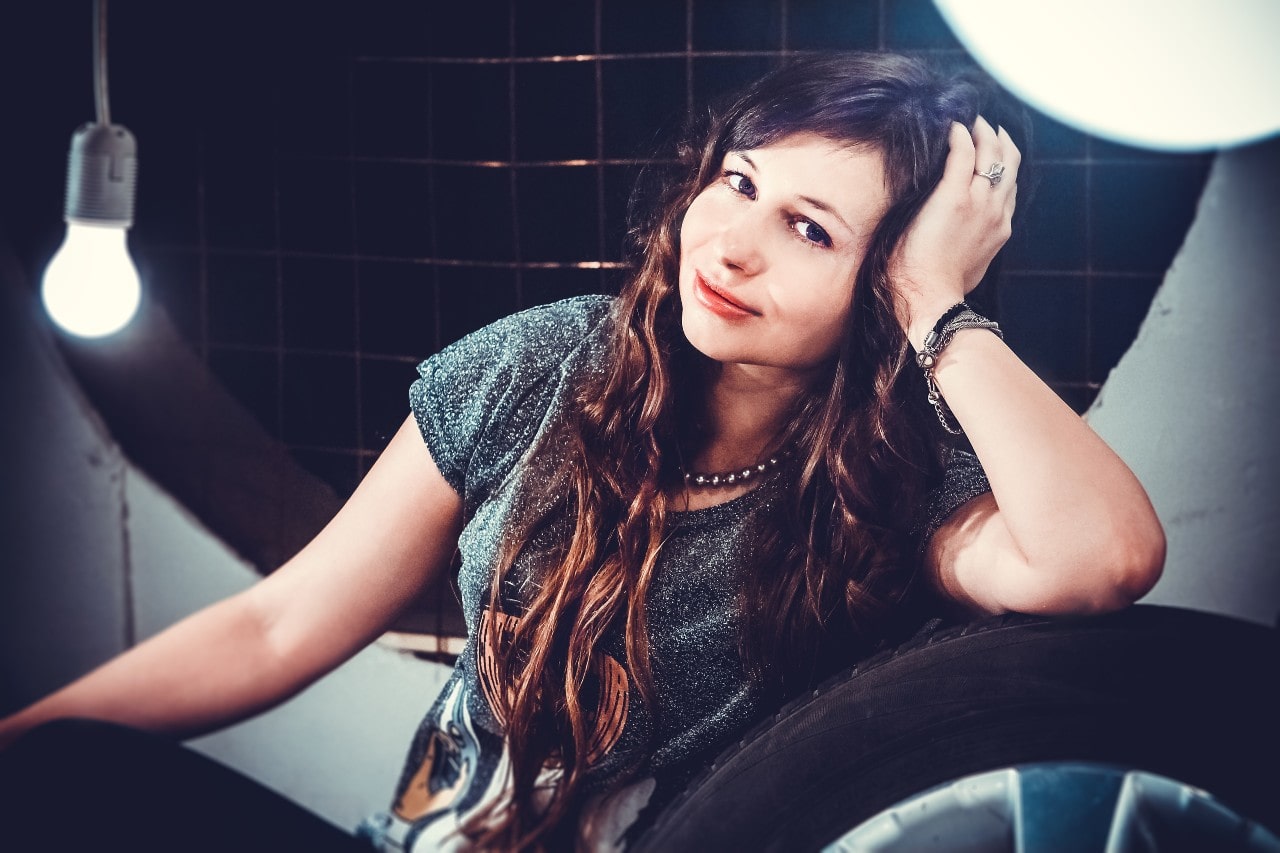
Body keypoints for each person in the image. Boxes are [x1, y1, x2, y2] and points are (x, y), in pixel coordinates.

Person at [0, 53, 1164, 852]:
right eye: (737, 182)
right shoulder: (544, 364)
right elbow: (280, 622)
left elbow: (1100, 559)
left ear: (889, 278)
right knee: (63, 774)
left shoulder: (900, 485)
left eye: (807, 229)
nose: (730, 244)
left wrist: (936, 308)